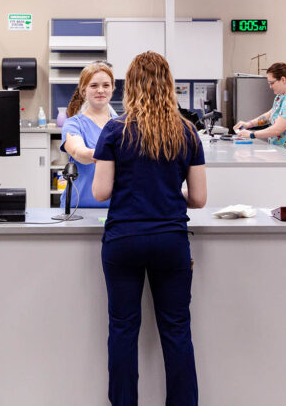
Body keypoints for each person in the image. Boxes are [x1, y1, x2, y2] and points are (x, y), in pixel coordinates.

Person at [92, 51, 207, 406]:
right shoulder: (187, 132)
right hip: (170, 242)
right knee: (176, 331)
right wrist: (168, 192)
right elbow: (199, 198)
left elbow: (100, 192)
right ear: (169, 85)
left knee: (123, 330)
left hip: (123, 240)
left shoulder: (114, 130)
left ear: (131, 87)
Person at [60, 61, 116, 209]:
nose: (100, 90)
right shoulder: (73, 124)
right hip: (78, 207)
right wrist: (107, 153)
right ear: (83, 90)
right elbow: (79, 153)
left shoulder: (122, 125)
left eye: (106, 85)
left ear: (112, 88)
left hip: (115, 208)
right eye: (94, 86)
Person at [233, 61, 286, 157]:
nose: (270, 87)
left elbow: (277, 129)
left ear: (283, 79)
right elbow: (271, 114)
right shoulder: (282, 95)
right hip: (281, 153)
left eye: (272, 83)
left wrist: (252, 134)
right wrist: (249, 124)